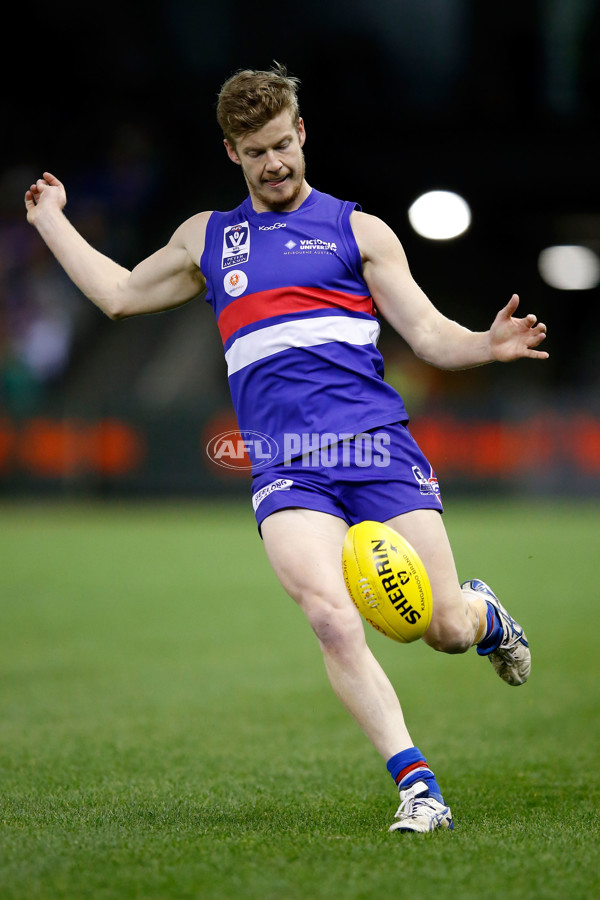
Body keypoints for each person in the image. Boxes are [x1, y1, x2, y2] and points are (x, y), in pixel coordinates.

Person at [24, 64, 548, 833]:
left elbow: (430, 334)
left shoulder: (357, 231)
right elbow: (119, 294)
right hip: (286, 466)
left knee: (440, 626)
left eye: (281, 144)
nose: (273, 163)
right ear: (231, 151)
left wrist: (486, 345)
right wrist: (51, 220)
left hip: (376, 451)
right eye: (253, 150)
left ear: (301, 133)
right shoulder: (210, 238)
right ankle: (419, 788)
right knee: (332, 619)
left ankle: (486, 616)